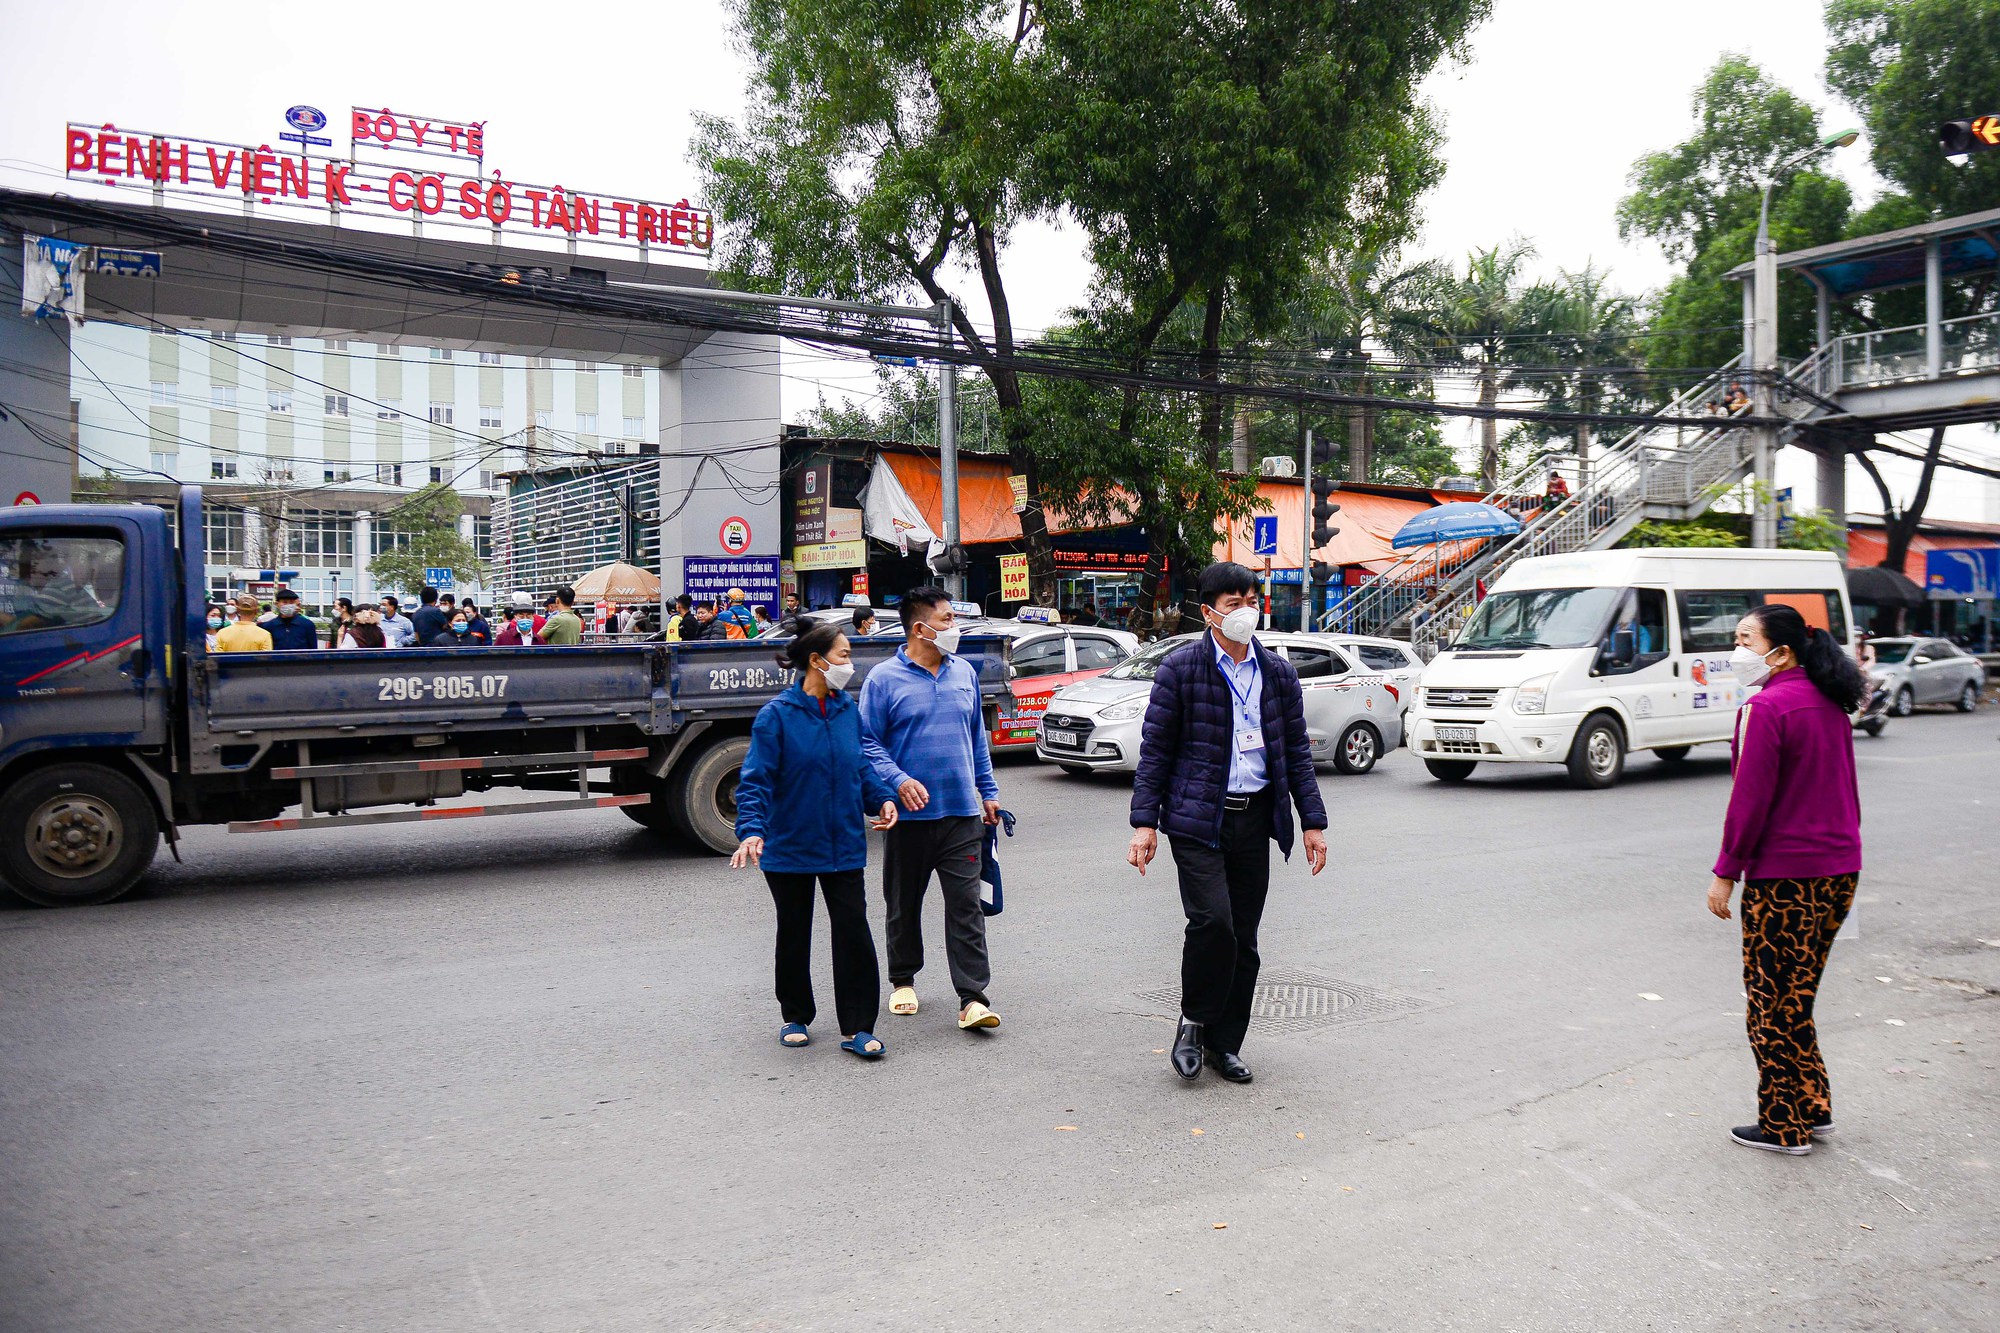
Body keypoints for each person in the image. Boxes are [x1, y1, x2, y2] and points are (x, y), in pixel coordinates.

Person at [1127, 561, 1328, 1084]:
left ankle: (1225, 1044)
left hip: (1256, 816)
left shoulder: (1278, 673)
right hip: (1196, 821)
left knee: (1244, 938)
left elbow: (1297, 756)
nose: (1245, 610)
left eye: (1250, 599)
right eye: (1233, 602)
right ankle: (1193, 1020)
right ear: (1208, 612)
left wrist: (1312, 821)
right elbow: (1155, 753)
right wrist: (1145, 824)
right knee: (1212, 923)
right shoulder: (1181, 670)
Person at [1708, 603, 1868, 1156]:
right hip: (1840, 871)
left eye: (1746, 638)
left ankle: (1783, 1125)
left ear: (1783, 648)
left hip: (1785, 881)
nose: (1738, 649)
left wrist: (1726, 873)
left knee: (1768, 1005)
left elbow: (1748, 801)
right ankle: (1813, 1106)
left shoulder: (1767, 707)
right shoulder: (1830, 703)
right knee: (1796, 998)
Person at [731, 622, 902, 1059]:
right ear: (816, 661)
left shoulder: (847, 710)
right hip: (789, 847)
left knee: (853, 933)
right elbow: (755, 780)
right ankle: (796, 1015)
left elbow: (860, 765)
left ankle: (859, 1026)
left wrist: (881, 798)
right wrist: (751, 830)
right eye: (843, 655)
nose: (850, 664)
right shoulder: (778, 715)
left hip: (844, 844)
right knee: (794, 931)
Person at [859, 585, 1004, 1031]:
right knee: (903, 904)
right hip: (909, 821)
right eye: (946, 621)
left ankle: (972, 997)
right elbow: (866, 741)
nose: (954, 629)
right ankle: (903, 979)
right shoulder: (883, 679)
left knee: (966, 906)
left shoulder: (964, 673)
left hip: (961, 814)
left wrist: (989, 790)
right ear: (920, 628)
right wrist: (898, 781)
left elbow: (976, 735)